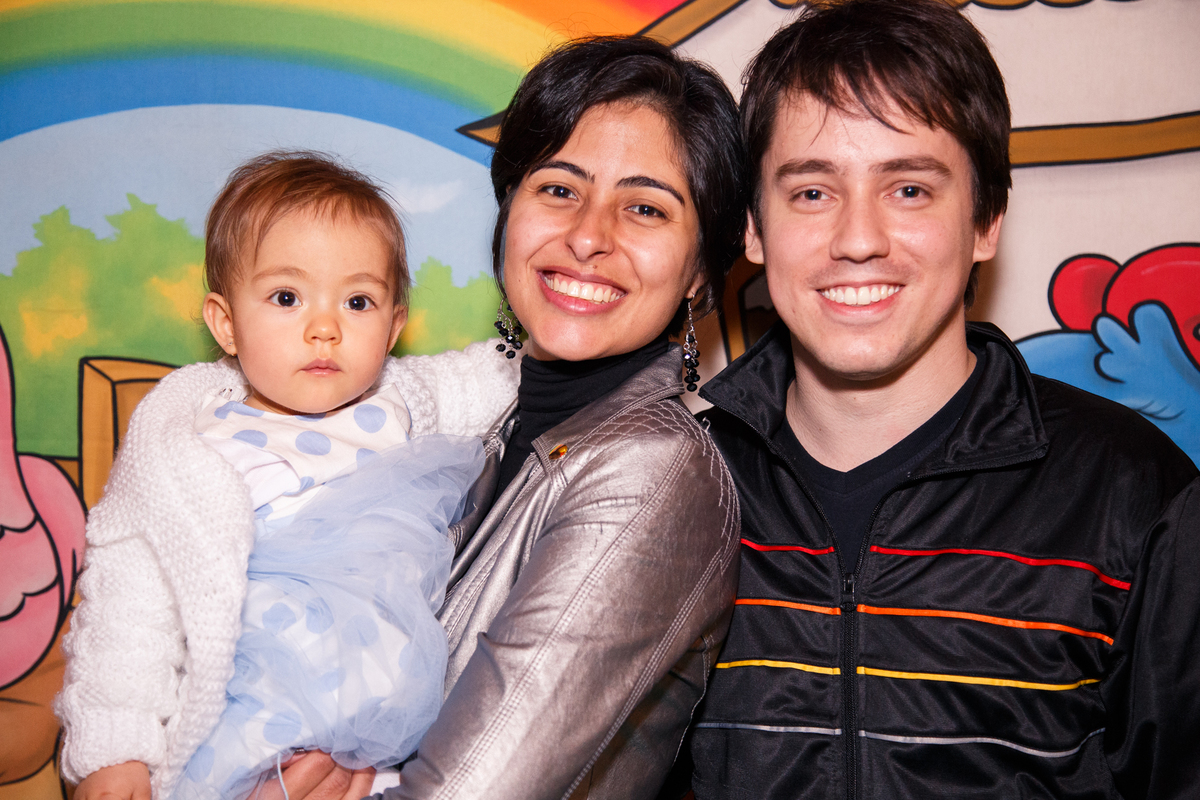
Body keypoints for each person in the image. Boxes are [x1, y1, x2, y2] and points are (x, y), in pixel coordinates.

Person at [684, 1, 1200, 798]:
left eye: (911, 189)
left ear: (987, 218)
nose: (859, 238)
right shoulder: (673, 487)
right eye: (813, 193)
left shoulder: (1136, 493)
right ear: (753, 228)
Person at [274, 35, 747, 800]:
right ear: (509, 211)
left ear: (698, 273)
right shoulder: (474, 443)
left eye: (646, 207)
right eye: (559, 189)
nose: (589, 236)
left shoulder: (655, 469)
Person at [56, 152, 519, 800]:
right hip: (239, 722)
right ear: (225, 322)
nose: (324, 328)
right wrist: (113, 747)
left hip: (390, 747)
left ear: (393, 328)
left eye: (358, 301)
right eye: (285, 297)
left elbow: (506, 370)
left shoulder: (404, 402)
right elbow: (130, 599)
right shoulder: (189, 442)